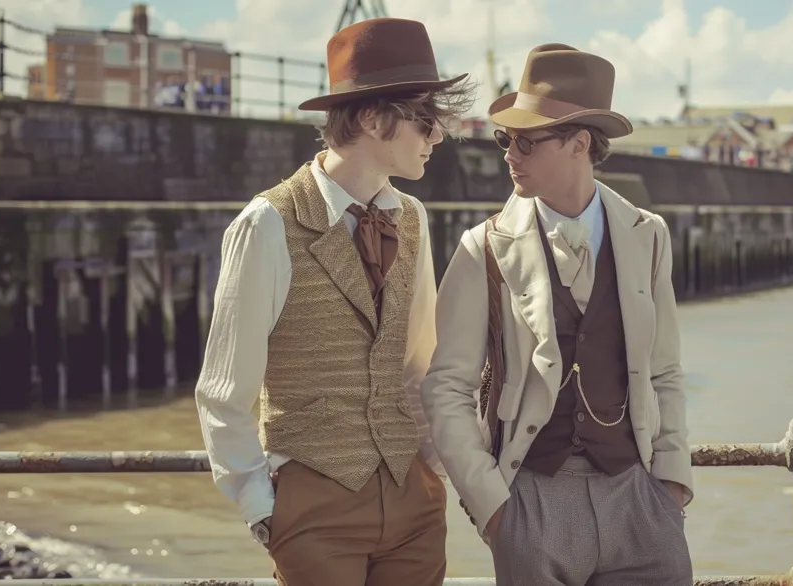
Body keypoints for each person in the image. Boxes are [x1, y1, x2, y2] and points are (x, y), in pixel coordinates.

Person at [194, 17, 474, 586]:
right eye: (425, 119)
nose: (437, 136)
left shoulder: (412, 218)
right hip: (313, 506)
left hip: (413, 502)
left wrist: (432, 468)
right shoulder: (267, 223)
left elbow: (419, 362)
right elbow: (224, 390)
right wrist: (262, 508)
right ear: (372, 118)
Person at [421, 43, 694, 585]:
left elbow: (664, 372)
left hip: (639, 501)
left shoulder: (649, 237)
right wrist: (494, 509)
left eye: (526, 140)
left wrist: (671, 486)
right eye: (505, 139)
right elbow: (446, 387)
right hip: (533, 504)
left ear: (579, 144)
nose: (509, 154)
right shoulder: (483, 248)